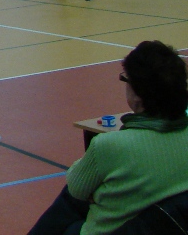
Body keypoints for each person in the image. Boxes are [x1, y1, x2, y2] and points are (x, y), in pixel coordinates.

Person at [27, 40, 188, 235]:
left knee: (71, 205)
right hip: (172, 226)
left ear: (137, 95)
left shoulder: (109, 145)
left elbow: (76, 188)